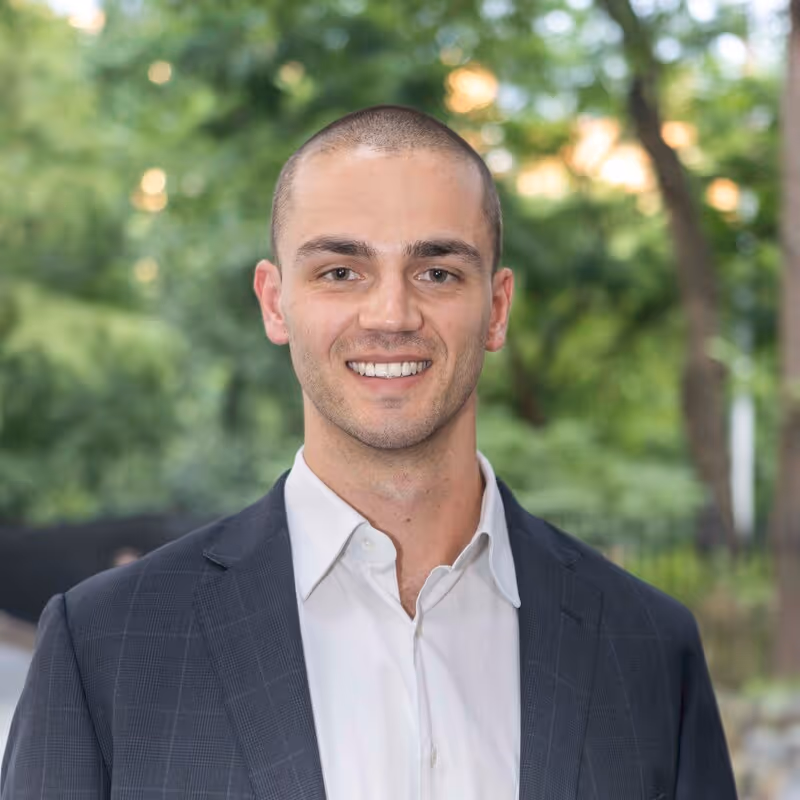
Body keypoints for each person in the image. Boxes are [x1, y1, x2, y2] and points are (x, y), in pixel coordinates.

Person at [1, 105, 737, 800]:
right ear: (274, 301)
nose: (391, 314)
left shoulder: (647, 648)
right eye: (341, 272)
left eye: (438, 272)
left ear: (498, 307)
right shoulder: (106, 647)